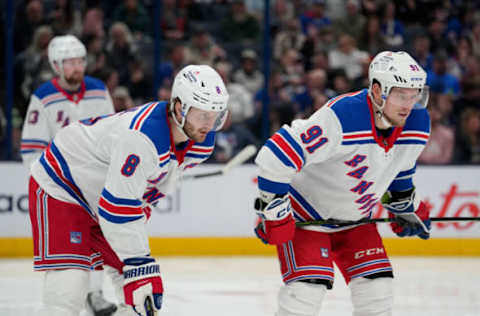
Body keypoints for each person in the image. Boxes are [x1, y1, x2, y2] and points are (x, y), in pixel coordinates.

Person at [27, 64, 229, 315]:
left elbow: (141, 195)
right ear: (179, 107)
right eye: (202, 114)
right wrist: (139, 262)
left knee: (140, 298)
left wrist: (136, 263)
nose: (208, 124)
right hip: (64, 184)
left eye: (215, 115)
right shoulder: (142, 138)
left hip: (106, 194)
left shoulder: (201, 142)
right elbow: (117, 207)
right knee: (68, 289)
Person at [253, 51, 431, 316]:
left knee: (378, 290)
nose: (408, 104)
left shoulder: (417, 121)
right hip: (307, 216)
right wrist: (273, 207)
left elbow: (400, 169)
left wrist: (404, 204)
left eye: (414, 94)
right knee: (305, 292)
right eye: (400, 95)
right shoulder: (342, 116)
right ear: (377, 89)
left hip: (356, 221)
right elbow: (275, 155)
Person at [20, 35, 116, 316]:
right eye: (70, 62)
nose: (77, 67)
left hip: (94, 185)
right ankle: (68, 298)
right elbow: (32, 149)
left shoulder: (99, 90)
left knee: (98, 239)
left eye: (80, 61)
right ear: (55, 65)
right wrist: (52, 185)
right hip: (61, 191)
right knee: (67, 250)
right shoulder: (43, 97)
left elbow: (113, 135)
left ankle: (96, 294)